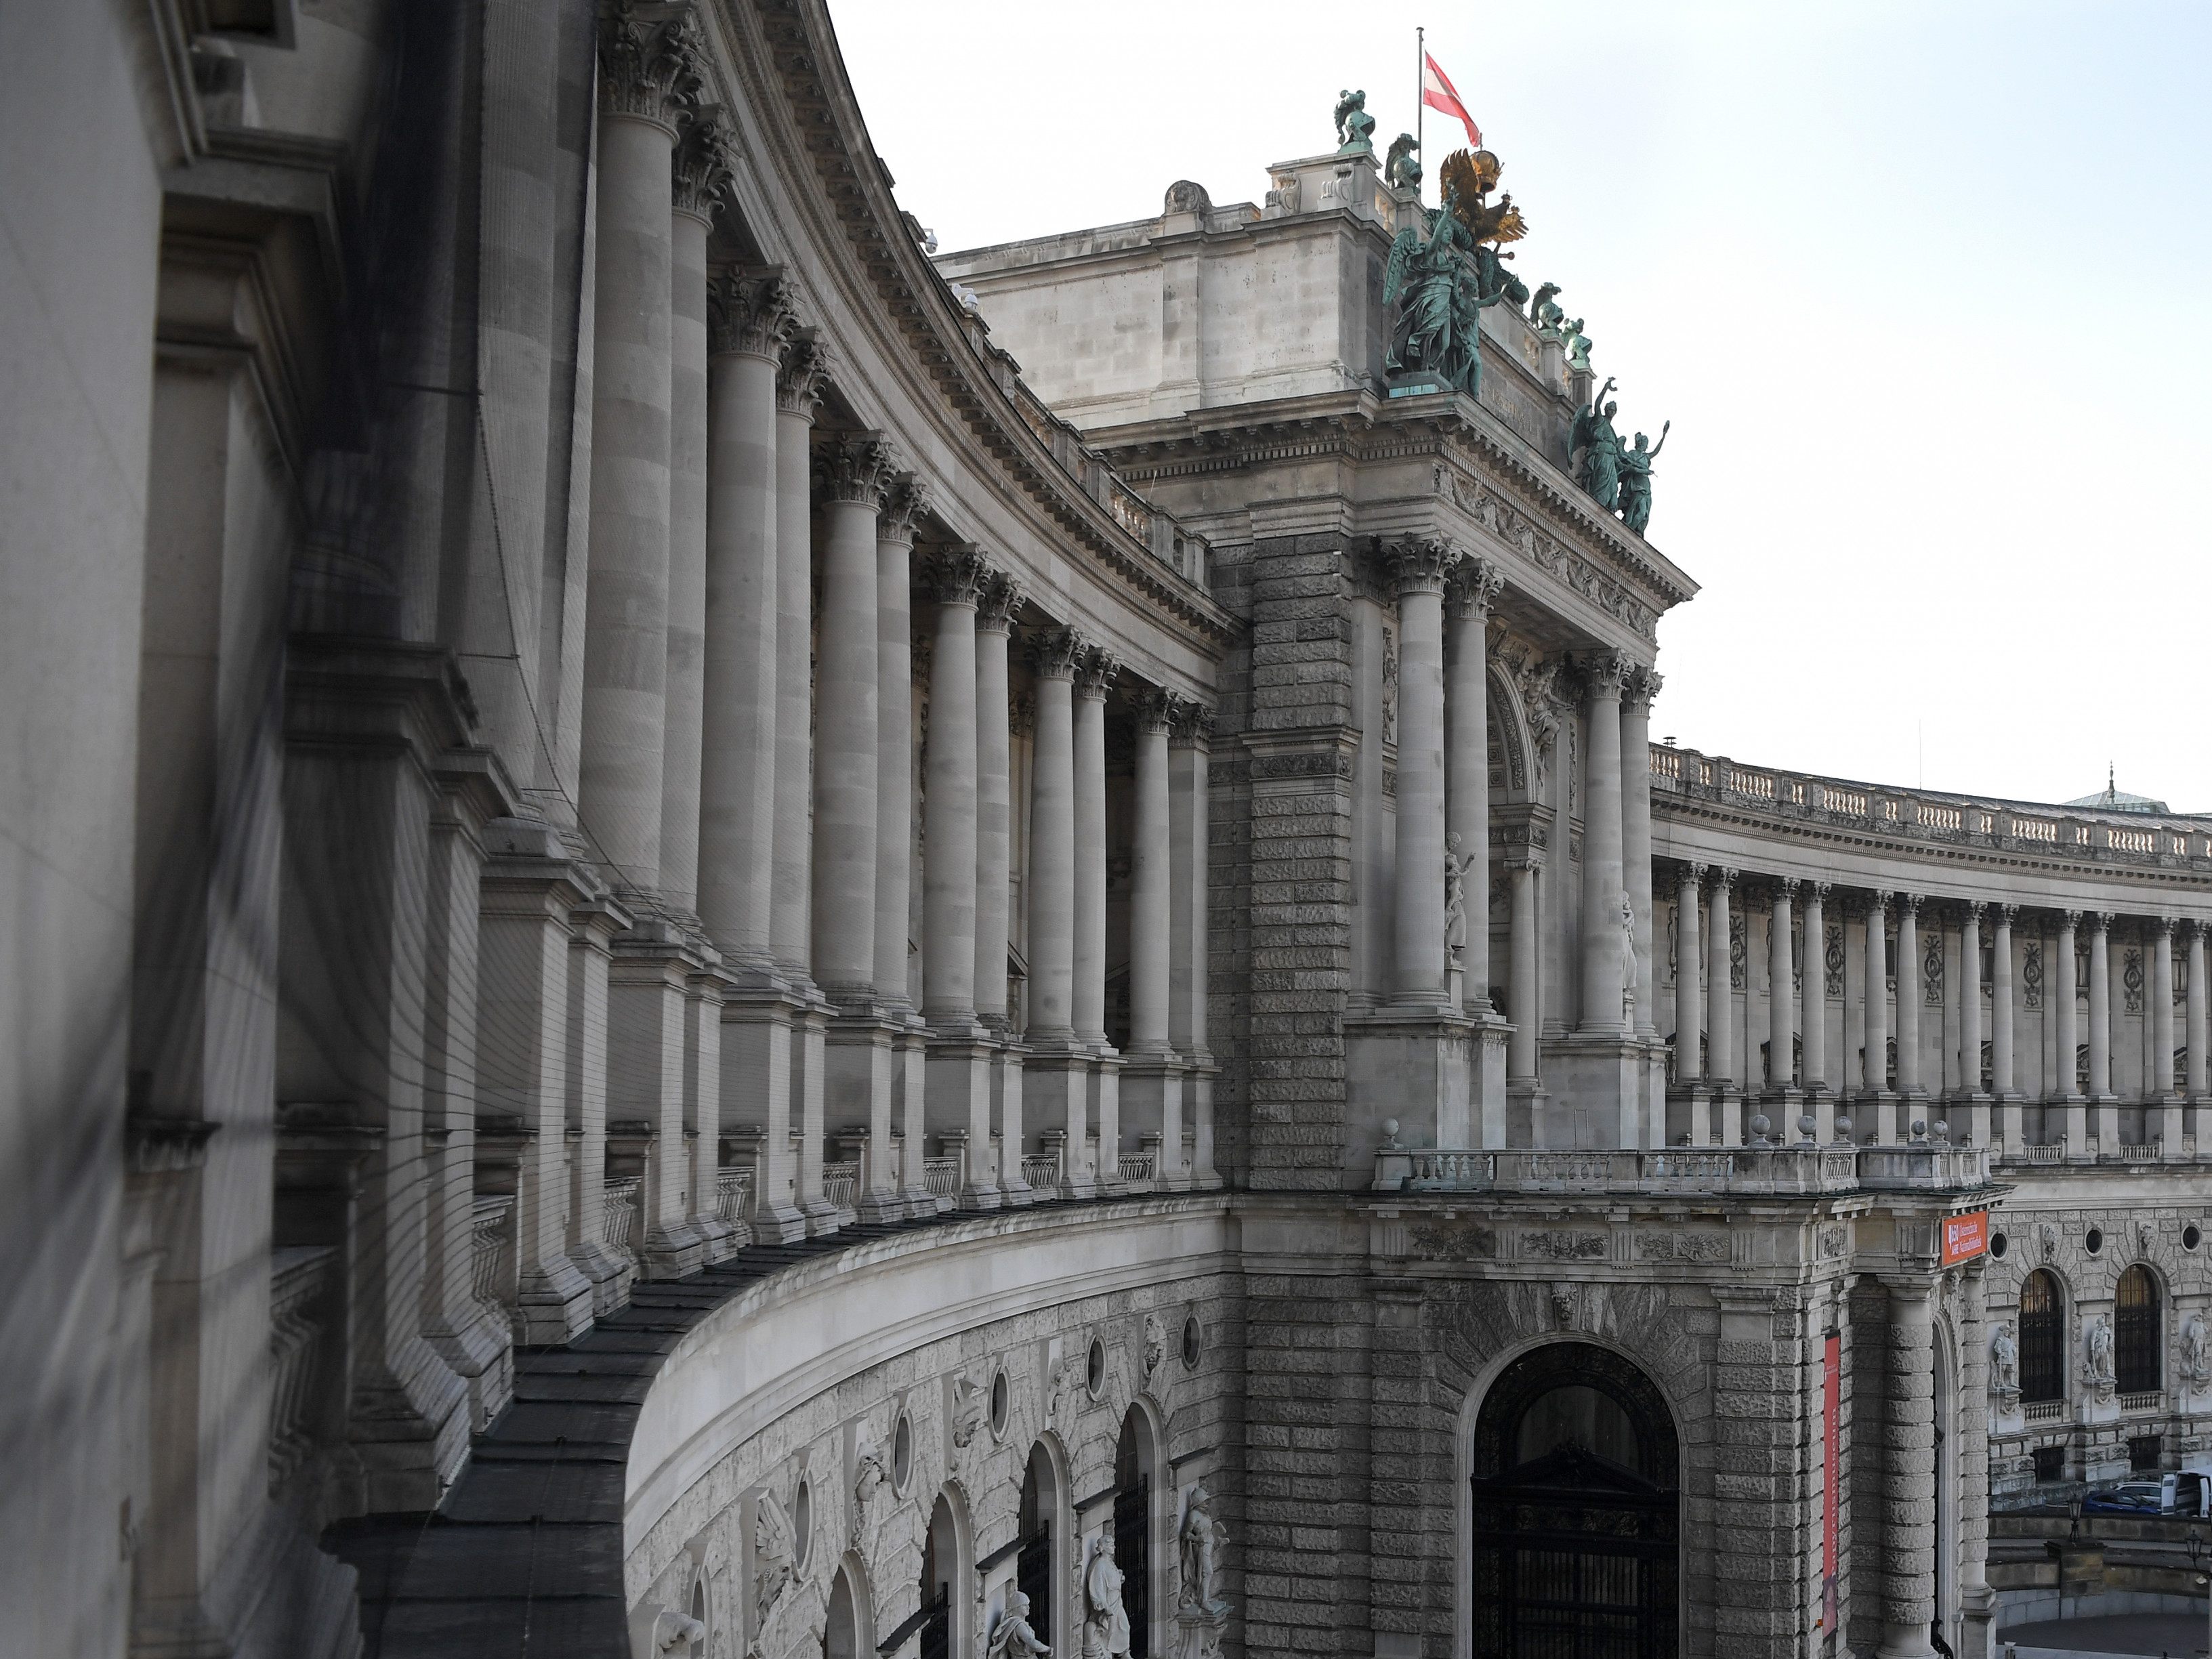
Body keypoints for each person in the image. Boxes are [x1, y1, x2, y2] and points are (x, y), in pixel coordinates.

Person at [1615, 421, 1669, 534]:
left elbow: (1656, 451)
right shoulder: (1633, 454)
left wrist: (1663, 436)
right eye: (1646, 443)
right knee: (1639, 511)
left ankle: (1633, 532)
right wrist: (1645, 471)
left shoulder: (1645, 457)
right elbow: (1632, 469)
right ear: (1641, 443)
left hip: (1646, 485)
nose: (1647, 446)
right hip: (1637, 485)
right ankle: (1628, 531)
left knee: (1644, 514)